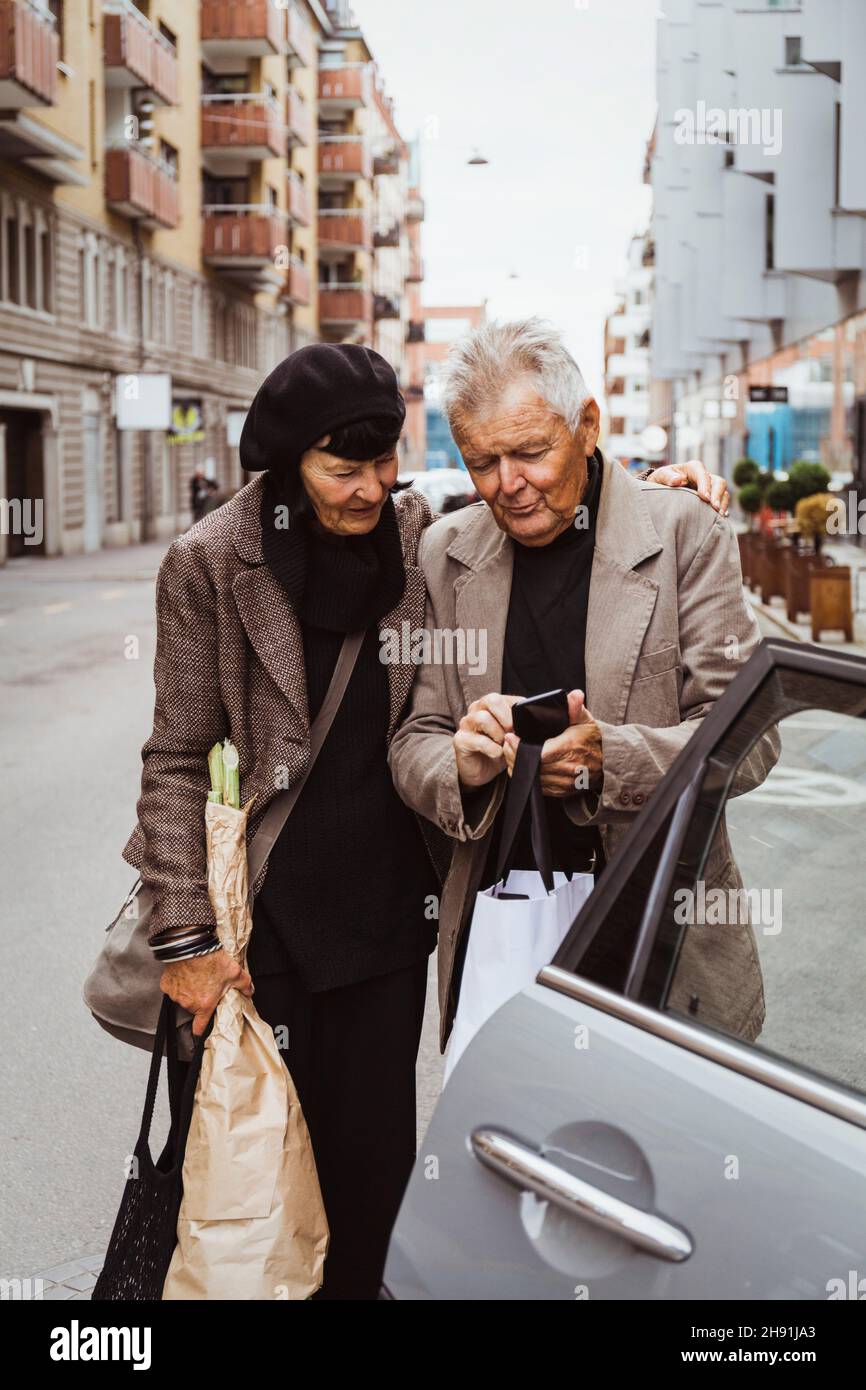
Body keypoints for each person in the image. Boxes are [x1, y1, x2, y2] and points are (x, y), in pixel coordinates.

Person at [120, 341, 729, 1300]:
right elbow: (174, 757)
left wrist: (658, 487)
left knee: (376, 1185)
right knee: (256, 1182)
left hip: (392, 924)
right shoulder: (210, 564)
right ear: (286, 465)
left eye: (384, 463)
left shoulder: (415, 538)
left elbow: (573, 505)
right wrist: (186, 934)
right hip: (259, 926)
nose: (369, 489)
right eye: (341, 468)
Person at [387, 318, 780, 1059]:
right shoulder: (443, 552)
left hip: (660, 933)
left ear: (587, 424)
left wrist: (611, 760)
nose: (509, 484)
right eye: (482, 461)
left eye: (532, 451)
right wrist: (461, 766)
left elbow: (752, 737)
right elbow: (414, 738)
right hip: (504, 930)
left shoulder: (685, 532)